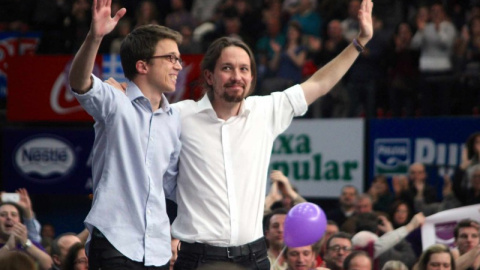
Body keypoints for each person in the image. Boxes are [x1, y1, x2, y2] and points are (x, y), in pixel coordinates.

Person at [111, 0, 373, 268]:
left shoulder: (266, 110)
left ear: (251, 77)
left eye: (244, 69)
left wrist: (359, 42)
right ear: (209, 77)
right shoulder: (178, 115)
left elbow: (319, 82)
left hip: (255, 258)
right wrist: (124, 94)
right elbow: (139, 123)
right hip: (198, 259)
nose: (237, 76)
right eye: (227, 68)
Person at [68, 0, 182, 268]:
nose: (178, 66)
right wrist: (95, 37)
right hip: (114, 244)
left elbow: (173, 186)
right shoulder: (115, 102)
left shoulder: (174, 119)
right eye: (170, 58)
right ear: (142, 66)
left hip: (158, 250)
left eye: (178, 58)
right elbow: (79, 83)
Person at [0, 202, 53, 270]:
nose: (9, 217)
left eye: (14, 215)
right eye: (3, 215)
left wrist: (26, 243)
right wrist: (8, 247)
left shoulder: (31, 244)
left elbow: (49, 265)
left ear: (20, 221)